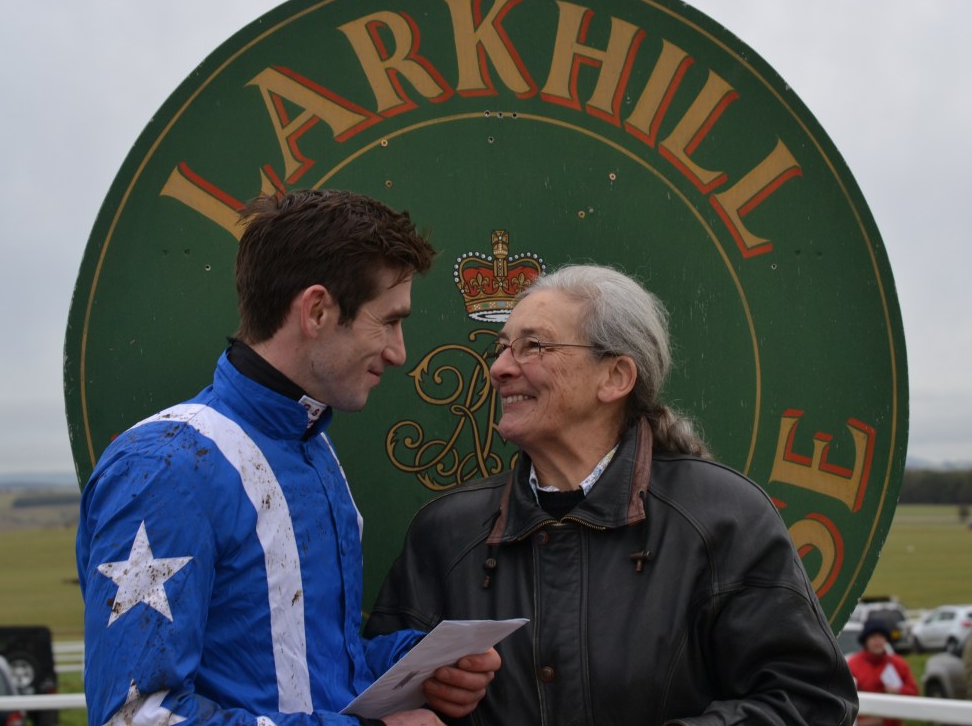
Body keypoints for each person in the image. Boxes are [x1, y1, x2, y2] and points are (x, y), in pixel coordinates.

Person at [365, 263, 859, 725]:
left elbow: (810, 699)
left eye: (533, 346)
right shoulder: (445, 532)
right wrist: (426, 696)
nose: (499, 368)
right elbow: (372, 694)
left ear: (616, 377)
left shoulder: (723, 518)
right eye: (502, 347)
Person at [77, 189, 500, 726]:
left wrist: (418, 667)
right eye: (388, 321)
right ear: (317, 311)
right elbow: (135, 718)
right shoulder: (163, 467)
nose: (399, 352)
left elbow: (306, 674)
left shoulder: (311, 443)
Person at [846, 619, 918, 726]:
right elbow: (845, 698)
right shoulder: (852, 664)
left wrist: (899, 690)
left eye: (881, 637)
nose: (877, 641)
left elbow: (915, 693)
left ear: (886, 639)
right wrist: (860, 723)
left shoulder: (898, 663)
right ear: (865, 640)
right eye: (873, 637)